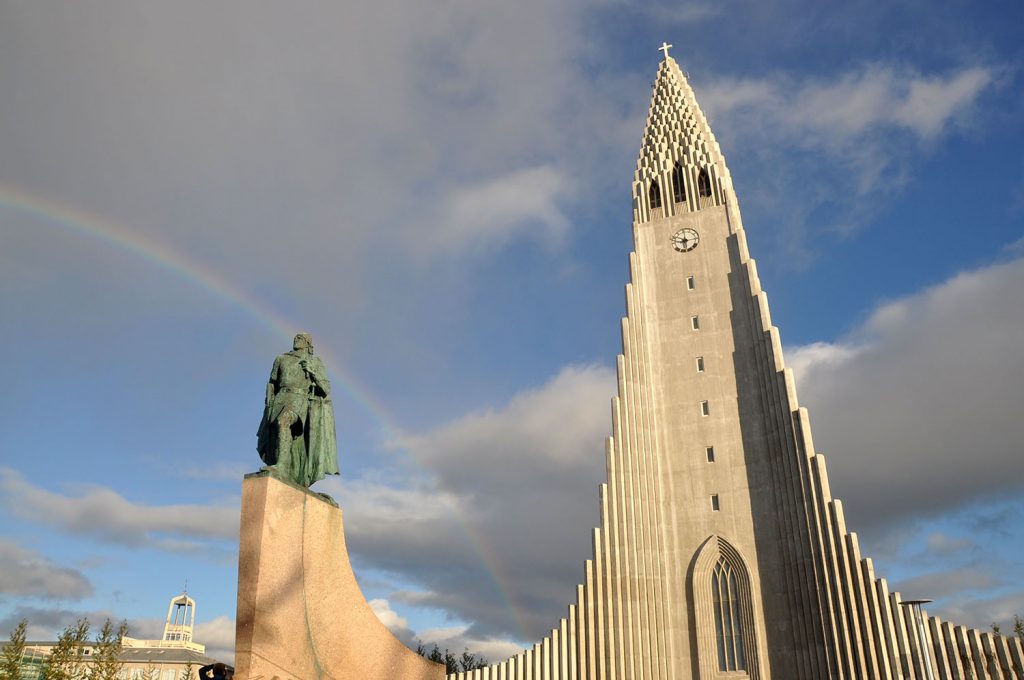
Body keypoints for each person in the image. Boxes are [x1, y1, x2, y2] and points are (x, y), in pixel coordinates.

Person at [256, 333, 339, 487]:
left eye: (300, 338)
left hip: (299, 399)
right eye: (296, 337)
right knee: (276, 436)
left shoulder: (314, 361)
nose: (296, 339)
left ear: (308, 343)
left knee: (284, 421)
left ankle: (281, 466)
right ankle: (285, 468)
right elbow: (272, 382)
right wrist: (269, 399)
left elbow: (326, 388)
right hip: (280, 399)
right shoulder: (281, 358)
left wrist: (312, 371)